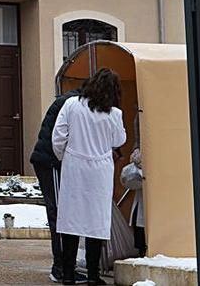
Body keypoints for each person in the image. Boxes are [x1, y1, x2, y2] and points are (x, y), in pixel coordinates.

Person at [52, 69, 127, 286]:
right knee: (96, 221)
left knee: (70, 220)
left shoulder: (72, 105)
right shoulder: (114, 114)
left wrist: (63, 157)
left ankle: (68, 272)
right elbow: (119, 139)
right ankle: (94, 275)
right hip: (100, 169)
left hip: (74, 165)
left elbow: (58, 136)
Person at [30, 90, 89, 284]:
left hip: (51, 162)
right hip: (51, 163)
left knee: (61, 214)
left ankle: (63, 266)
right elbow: (59, 139)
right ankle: (61, 268)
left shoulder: (70, 101)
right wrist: (65, 161)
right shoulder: (73, 104)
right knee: (60, 214)